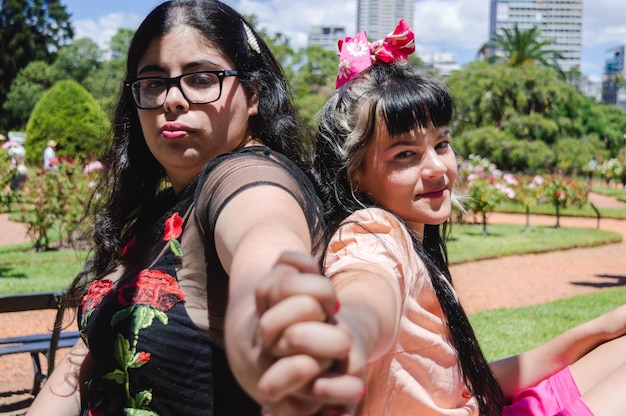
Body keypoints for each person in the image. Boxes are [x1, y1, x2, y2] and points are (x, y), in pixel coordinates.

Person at [256, 21, 626, 416]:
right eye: (404, 154)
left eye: (441, 144)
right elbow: (364, 287)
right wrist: (348, 333)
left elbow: (473, 386)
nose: (437, 168)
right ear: (355, 173)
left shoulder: (406, 237)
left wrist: (599, 328)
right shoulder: (370, 235)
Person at [25, 1, 359, 414]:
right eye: (153, 83)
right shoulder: (162, 210)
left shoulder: (247, 177)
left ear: (253, 94)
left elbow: (263, 236)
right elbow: (81, 363)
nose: (172, 100)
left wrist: (278, 310)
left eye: (201, 79)